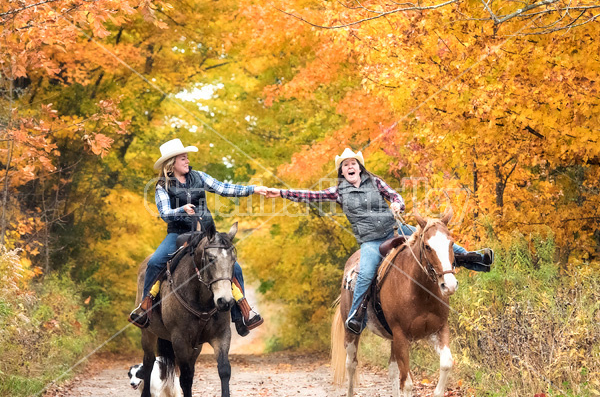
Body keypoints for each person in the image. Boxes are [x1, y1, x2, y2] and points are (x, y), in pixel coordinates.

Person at [265, 148, 494, 335]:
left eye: (353, 163)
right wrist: (281, 193)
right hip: (371, 241)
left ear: (360, 167)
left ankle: (475, 259)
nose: (350, 167)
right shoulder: (338, 192)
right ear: (342, 172)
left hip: (394, 228)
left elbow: (395, 196)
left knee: (436, 237)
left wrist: (397, 204)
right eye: (345, 165)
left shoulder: (375, 182)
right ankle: (356, 315)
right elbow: (309, 195)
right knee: (365, 273)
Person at [129, 138, 265, 336]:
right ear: (171, 163)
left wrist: (253, 189)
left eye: (186, 158)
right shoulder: (161, 186)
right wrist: (181, 209)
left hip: (205, 234)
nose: (187, 161)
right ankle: (145, 307)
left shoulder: (199, 176)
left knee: (234, 267)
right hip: (177, 233)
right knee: (155, 262)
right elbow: (165, 213)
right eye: (182, 158)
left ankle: (242, 314)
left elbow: (224, 188)